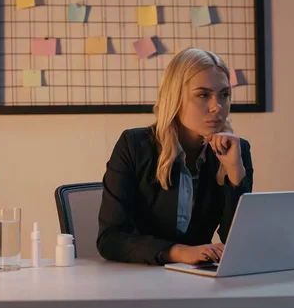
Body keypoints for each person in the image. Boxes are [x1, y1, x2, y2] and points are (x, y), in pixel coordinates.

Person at [96, 48, 253, 266]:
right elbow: (110, 239)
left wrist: (236, 174)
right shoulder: (134, 145)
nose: (216, 106)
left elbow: (237, 243)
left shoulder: (236, 149)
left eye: (224, 94)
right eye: (203, 95)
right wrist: (177, 253)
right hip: (139, 276)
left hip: (198, 280)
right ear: (175, 97)